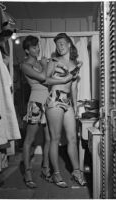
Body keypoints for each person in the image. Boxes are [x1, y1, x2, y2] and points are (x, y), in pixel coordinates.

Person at [21, 35, 73, 188]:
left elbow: (51, 78)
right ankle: (28, 172)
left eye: (38, 46)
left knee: (49, 139)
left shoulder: (40, 62)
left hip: (48, 102)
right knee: (29, 140)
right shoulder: (25, 65)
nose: (37, 49)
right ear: (27, 50)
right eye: (33, 47)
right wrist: (45, 64)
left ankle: (45, 169)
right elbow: (44, 77)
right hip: (36, 102)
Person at [45, 33, 87, 188]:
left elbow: (74, 87)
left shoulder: (75, 63)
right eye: (57, 44)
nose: (59, 46)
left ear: (69, 44)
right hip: (55, 99)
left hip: (67, 101)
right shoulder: (54, 61)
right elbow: (46, 79)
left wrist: (76, 107)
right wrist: (62, 79)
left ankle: (77, 171)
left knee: (73, 139)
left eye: (62, 43)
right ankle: (56, 173)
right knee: (55, 138)